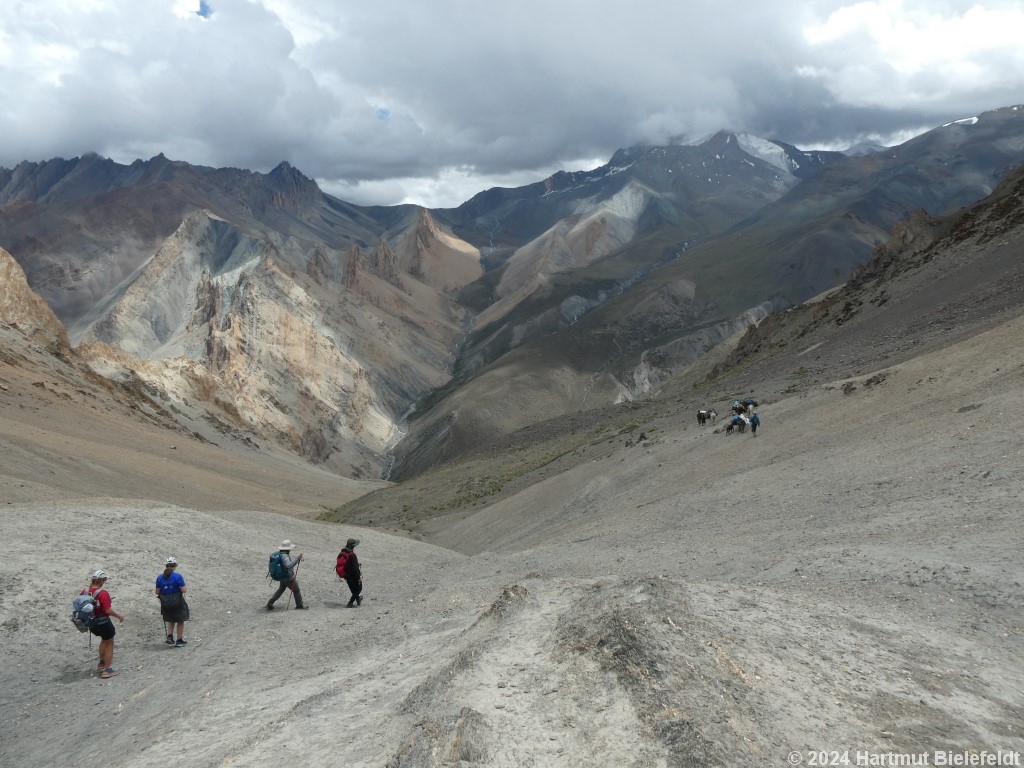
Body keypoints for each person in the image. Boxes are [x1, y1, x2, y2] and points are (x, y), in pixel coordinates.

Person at [84, 570, 125, 679]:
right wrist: (119, 616)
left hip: (91, 624)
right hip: (103, 623)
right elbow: (107, 610)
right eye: (105, 580)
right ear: (101, 580)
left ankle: (101, 663)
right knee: (109, 643)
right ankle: (107, 670)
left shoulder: (85, 591)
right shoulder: (103, 593)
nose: (105, 582)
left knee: (104, 640)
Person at [155, 557, 189, 646]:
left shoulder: (159, 578)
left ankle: (169, 636)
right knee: (180, 620)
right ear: (175, 566)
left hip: (165, 602)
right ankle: (179, 640)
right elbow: (184, 590)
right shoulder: (177, 576)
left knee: (171, 620)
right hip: (177, 601)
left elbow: (157, 592)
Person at [266, 540, 306, 610]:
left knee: (280, 590)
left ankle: (270, 602)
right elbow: (289, 565)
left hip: (282, 576)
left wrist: (296, 557)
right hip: (288, 577)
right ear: (288, 549)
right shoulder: (285, 556)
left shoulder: (279, 554)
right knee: (296, 590)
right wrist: (297, 559)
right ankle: (299, 605)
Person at [338, 538, 363, 607]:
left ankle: (358, 599)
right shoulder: (352, 555)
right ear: (353, 546)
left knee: (353, 589)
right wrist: (358, 577)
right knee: (358, 589)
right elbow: (355, 569)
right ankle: (350, 603)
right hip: (352, 575)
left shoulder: (342, 552)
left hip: (346, 575)